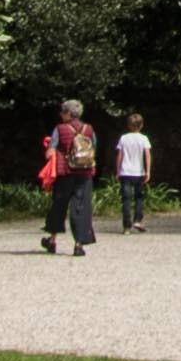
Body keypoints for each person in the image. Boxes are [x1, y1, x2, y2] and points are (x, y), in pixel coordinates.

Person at [41, 99, 101, 256]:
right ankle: (79, 244)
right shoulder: (89, 128)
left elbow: (51, 150)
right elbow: (94, 146)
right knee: (81, 207)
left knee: (58, 205)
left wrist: (49, 154)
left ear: (68, 113)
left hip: (65, 173)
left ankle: (52, 240)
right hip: (85, 173)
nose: (61, 115)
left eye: (62, 112)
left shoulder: (60, 129)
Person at [114, 113, 155, 234]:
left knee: (126, 199)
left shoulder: (124, 138)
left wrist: (118, 170)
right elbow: (147, 155)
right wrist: (148, 170)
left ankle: (126, 227)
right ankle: (137, 220)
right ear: (141, 125)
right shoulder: (143, 138)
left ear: (128, 125)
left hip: (125, 172)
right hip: (139, 172)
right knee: (139, 197)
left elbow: (120, 155)